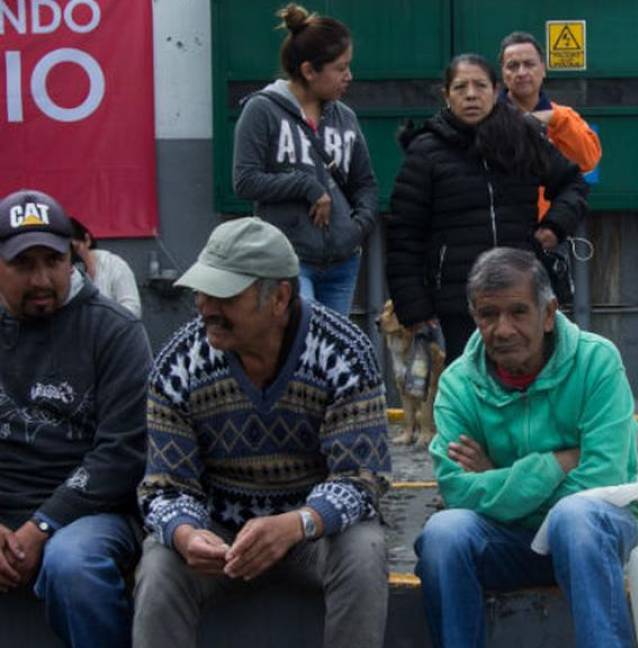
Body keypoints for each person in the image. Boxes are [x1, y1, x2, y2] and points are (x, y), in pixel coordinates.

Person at [133, 217, 392, 646]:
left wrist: (298, 524)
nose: (205, 305)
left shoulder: (346, 353)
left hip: (311, 535)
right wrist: (186, 533)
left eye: (224, 295)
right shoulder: (179, 363)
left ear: (280, 298)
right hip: (220, 536)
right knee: (160, 563)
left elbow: (364, 481)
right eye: (202, 290)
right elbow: (162, 487)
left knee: (364, 548)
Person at [414, 248, 638, 648]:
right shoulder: (457, 383)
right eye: (488, 315)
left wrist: (495, 476)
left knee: (575, 519)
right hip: (507, 541)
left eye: (518, 312)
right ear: (474, 317)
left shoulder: (597, 361)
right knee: (444, 533)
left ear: (548, 312)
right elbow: (456, 491)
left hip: (592, 534)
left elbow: (603, 480)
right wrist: (556, 463)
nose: (503, 329)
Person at [0, 189, 151, 648]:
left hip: (90, 515)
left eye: (54, 260)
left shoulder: (114, 331)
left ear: (75, 257)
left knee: (72, 565)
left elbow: (123, 453)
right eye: (23, 265)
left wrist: (42, 525)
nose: (42, 278)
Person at [387, 54, 588, 361]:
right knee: (471, 387)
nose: (471, 95)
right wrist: (413, 307)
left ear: (495, 91)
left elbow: (573, 183)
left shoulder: (522, 136)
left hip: (523, 291)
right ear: (446, 95)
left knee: (528, 377)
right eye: (460, 87)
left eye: (480, 86)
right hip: (459, 301)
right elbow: (404, 234)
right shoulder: (426, 152)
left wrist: (555, 225)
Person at [232, 3, 378, 315]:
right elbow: (245, 181)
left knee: (331, 350)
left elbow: (365, 183)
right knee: (304, 342)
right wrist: (305, 185)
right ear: (309, 70)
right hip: (289, 260)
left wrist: (357, 227)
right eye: (340, 68)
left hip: (343, 261)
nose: (349, 76)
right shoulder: (262, 110)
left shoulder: (346, 117)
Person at [499, 31, 601, 177]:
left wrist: (556, 119)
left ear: (543, 69)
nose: (521, 72)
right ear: (503, 73)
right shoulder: (488, 117)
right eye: (513, 66)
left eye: (529, 64)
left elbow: (588, 161)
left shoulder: (563, 118)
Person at [69, 218, 142, 317]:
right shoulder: (62, 273)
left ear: (87, 240)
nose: (74, 256)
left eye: (75, 249)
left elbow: (133, 310)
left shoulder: (115, 266)